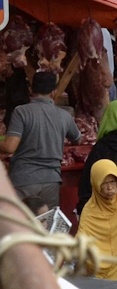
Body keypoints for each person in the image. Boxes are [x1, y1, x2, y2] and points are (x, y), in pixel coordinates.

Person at [0, 71, 81, 210]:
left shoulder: (21, 112)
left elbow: (9, 147)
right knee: (47, 222)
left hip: (23, 179)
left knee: (21, 222)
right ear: (54, 92)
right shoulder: (64, 115)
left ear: (31, 89)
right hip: (51, 181)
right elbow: (77, 140)